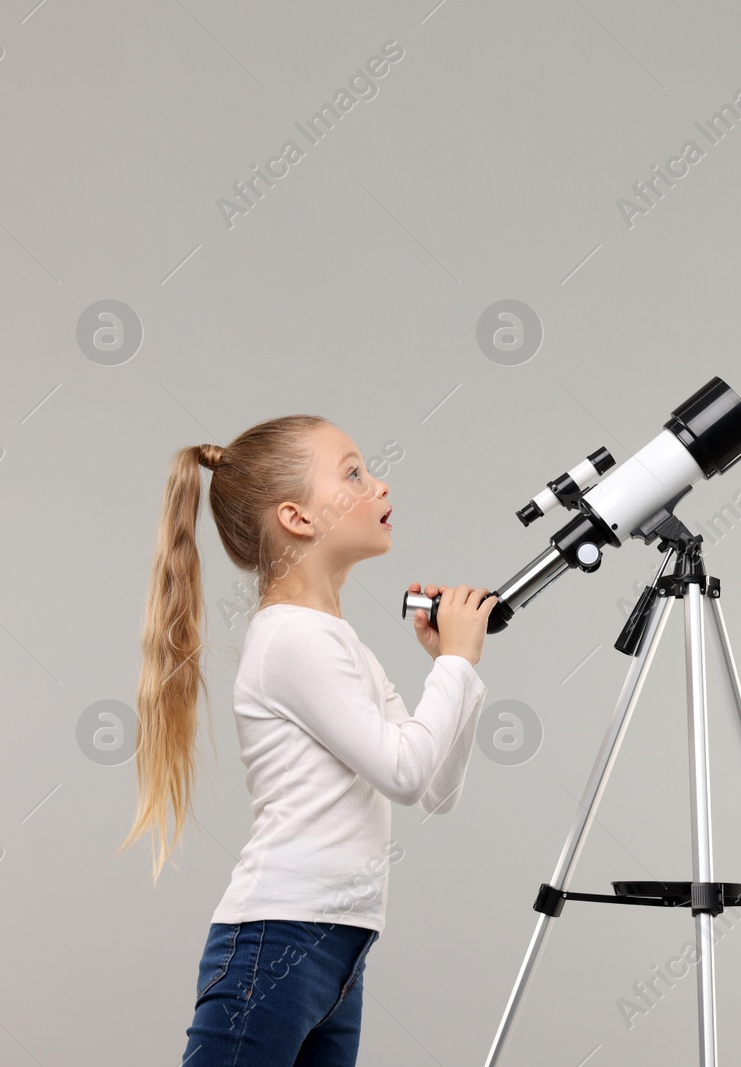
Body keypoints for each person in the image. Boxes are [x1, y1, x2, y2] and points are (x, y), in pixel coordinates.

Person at [115, 414, 496, 1066]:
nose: (380, 483)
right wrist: (455, 664)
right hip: (277, 941)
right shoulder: (293, 639)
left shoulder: (339, 643)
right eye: (353, 472)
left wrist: (455, 668)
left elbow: (433, 787)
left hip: (339, 946)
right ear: (297, 517)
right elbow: (405, 773)